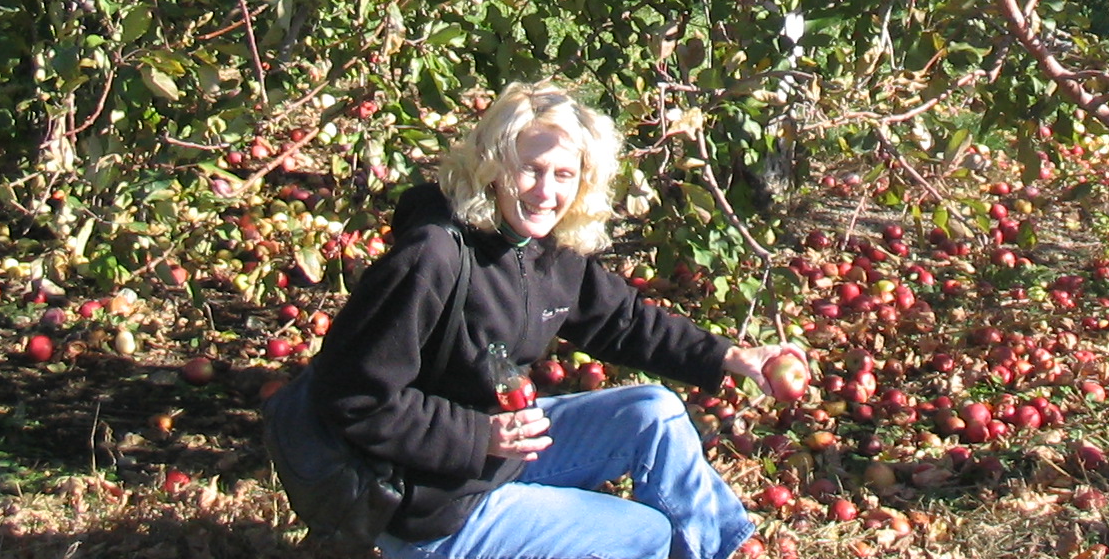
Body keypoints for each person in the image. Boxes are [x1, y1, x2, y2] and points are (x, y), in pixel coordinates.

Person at [312, 81, 798, 559]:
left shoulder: (546, 245)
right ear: (494, 167)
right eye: (530, 169)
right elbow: (353, 397)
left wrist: (735, 357)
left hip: (500, 456)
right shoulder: (432, 257)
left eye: (564, 174)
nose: (546, 192)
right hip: (435, 508)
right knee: (643, 533)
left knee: (655, 411)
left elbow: (622, 321)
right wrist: (481, 437)